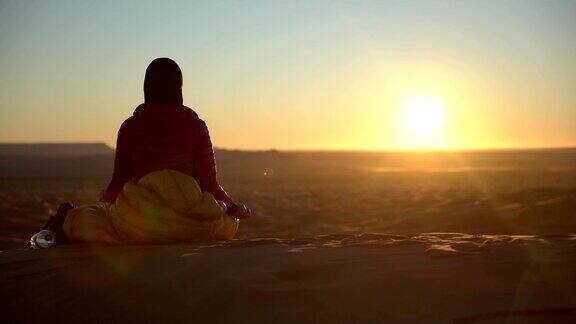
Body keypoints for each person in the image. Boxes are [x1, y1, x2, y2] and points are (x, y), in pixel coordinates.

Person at [39, 57, 249, 245]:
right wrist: (232, 207)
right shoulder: (196, 127)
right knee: (228, 222)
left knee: (92, 221)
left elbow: (119, 182)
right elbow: (209, 183)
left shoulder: (131, 127)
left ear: (146, 87)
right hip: (189, 222)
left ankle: (64, 219)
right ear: (179, 87)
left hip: (140, 223)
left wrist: (106, 204)